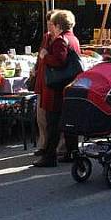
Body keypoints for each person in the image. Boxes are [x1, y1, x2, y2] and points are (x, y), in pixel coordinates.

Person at [32, 10, 82, 167]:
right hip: (68, 86)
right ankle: (72, 152)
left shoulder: (61, 40)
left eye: (52, 24)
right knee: (69, 121)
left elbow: (59, 61)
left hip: (56, 88)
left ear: (58, 25)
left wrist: (45, 56)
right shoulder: (73, 38)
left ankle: (49, 156)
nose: (50, 27)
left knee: (53, 123)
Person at [33, 10, 56, 156]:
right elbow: (40, 56)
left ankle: (48, 147)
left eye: (51, 22)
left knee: (48, 118)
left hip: (52, 84)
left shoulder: (60, 39)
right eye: (47, 21)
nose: (48, 24)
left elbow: (56, 61)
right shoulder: (46, 37)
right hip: (43, 82)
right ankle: (43, 144)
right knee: (41, 117)